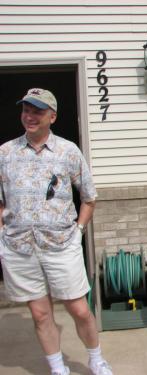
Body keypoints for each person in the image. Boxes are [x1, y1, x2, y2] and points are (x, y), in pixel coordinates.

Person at [0, 88, 112, 375]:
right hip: (19, 248)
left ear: (53, 116)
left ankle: (96, 359)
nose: (30, 116)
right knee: (39, 314)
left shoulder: (67, 151)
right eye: (26, 109)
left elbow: (88, 197)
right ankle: (57, 367)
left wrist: (79, 233)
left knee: (78, 310)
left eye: (37, 111)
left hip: (62, 245)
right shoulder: (5, 153)